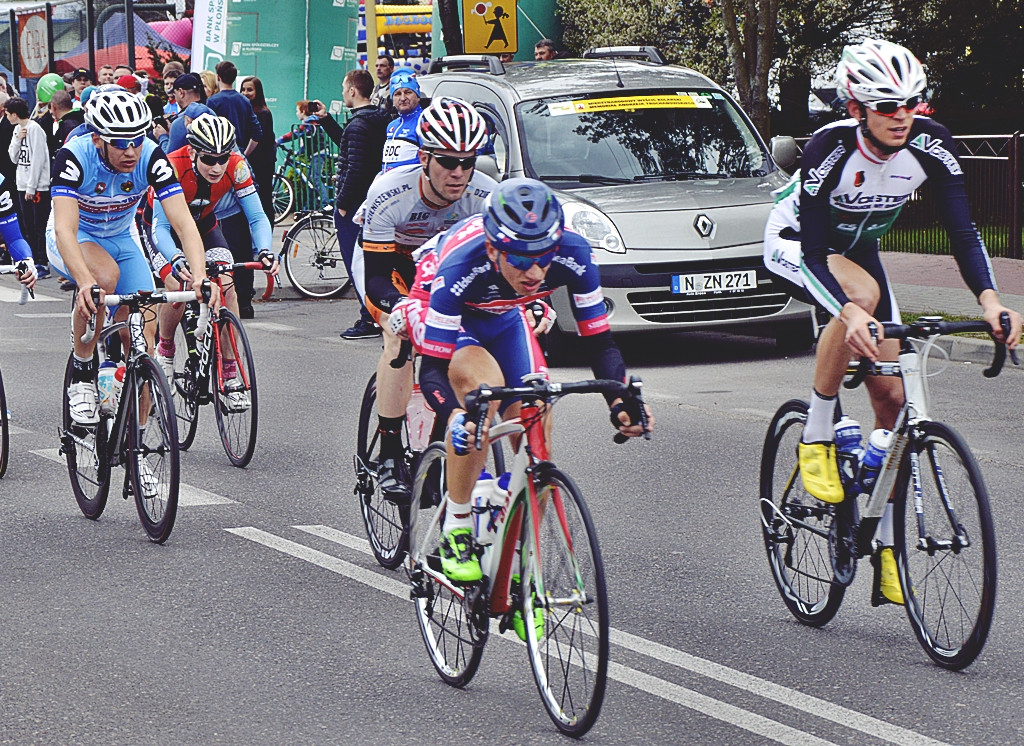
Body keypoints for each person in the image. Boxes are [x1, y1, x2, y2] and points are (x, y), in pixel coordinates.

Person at [763, 39, 1022, 605]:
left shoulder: (932, 145)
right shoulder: (831, 148)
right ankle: (816, 437)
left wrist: (989, 300)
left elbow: (962, 231)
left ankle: (881, 545)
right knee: (860, 294)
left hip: (861, 255)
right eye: (886, 105)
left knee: (892, 400)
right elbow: (812, 251)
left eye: (910, 102)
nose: (901, 115)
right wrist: (851, 311)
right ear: (856, 108)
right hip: (797, 245)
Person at [394, 178, 652, 586]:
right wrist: (456, 416)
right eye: (521, 259)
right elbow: (431, 371)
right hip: (442, 308)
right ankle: (458, 526)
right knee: (484, 392)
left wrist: (618, 402)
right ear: (495, 249)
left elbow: (599, 343)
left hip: (503, 314)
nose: (535, 272)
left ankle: (518, 554)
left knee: (538, 407)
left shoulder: (574, 253)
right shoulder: (463, 263)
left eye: (544, 258)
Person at [352, 96, 497, 500]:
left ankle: (438, 446)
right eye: (448, 162)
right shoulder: (389, 192)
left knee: (466, 346)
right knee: (400, 336)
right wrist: (401, 309)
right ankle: (389, 449)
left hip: (446, 272)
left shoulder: (487, 196)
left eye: (468, 162)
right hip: (392, 267)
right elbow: (377, 277)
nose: (459, 173)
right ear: (423, 157)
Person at [46, 90, 216, 425]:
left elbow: (183, 222)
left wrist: (199, 276)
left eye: (137, 139)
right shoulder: (73, 156)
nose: (131, 150)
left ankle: (137, 453)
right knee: (102, 278)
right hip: (77, 237)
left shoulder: (152, 157)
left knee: (143, 341)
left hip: (123, 239)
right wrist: (82, 281)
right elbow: (65, 229)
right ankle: (82, 373)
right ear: (97, 139)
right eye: (120, 142)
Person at [146, 114, 276, 402]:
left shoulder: (236, 166)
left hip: (204, 226)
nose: (217, 167)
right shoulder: (171, 166)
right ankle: (165, 349)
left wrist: (265, 249)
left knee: (227, 284)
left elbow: (257, 216)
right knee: (178, 287)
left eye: (223, 158)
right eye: (209, 159)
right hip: (163, 230)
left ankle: (229, 372)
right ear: (192, 151)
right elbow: (162, 229)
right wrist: (175, 257)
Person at [314, 68, 389, 340]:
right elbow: (349, 144)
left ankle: (368, 318)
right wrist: (326, 120)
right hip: (375, 202)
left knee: (357, 265)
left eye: (344, 88)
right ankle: (377, 313)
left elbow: (355, 166)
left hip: (355, 206)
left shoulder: (359, 124)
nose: (343, 92)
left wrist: (343, 205)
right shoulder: (376, 118)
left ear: (353, 91)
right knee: (373, 262)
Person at [6, 97, 51, 278]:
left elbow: (38, 160)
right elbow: (13, 157)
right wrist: (17, 139)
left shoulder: (35, 129)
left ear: (15, 114)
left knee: (38, 224)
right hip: (22, 183)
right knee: (27, 225)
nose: (7, 118)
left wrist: (32, 187)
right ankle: (31, 260)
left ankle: (42, 262)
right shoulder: (18, 129)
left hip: (37, 185)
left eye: (8, 114)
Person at [207, 61, 261, 158]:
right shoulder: (244, 101)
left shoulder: (212, 101)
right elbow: (257, 133)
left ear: (218, 77)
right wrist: (244, 155)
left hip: (218, 155)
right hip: (238, 154)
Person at [240, 76, 275, 224]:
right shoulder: (245, 110)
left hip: (262, 164)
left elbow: (260, 140)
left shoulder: (263, 113)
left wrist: (245, 156)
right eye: (243, 89)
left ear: (257, 92)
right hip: (251, 162)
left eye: (250, 90)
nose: (246, 93)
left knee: (264, 199)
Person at [380, 70, 423, 172]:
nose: (403, 98)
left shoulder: (424, 121)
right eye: (398, 94)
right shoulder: (392, 125)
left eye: (408, 92)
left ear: (417, 96)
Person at [159, 73, 207, 153]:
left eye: (175, 94)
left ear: (181, 92)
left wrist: (162, 136)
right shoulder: (211, 113)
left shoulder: (180, 122)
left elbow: (169, 158)